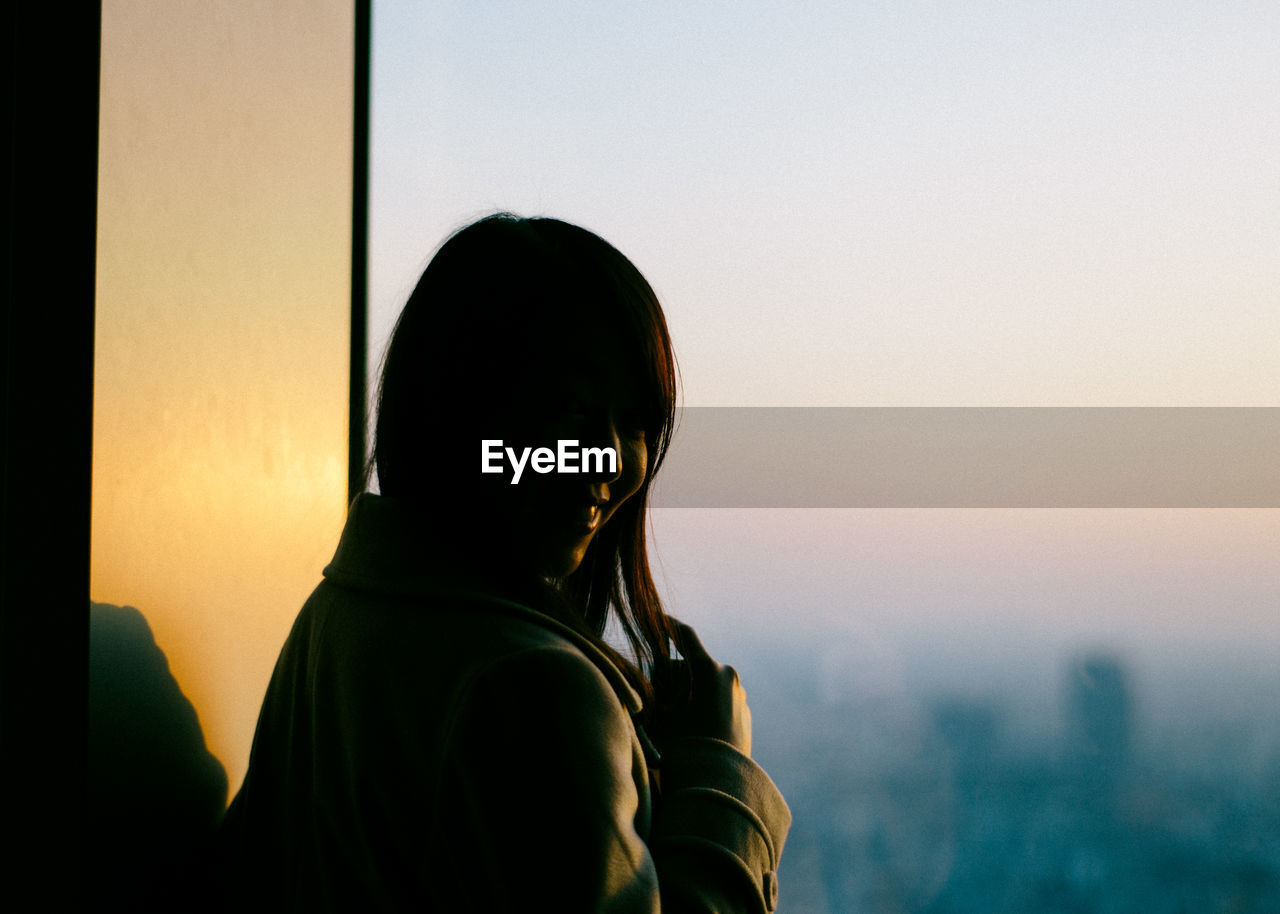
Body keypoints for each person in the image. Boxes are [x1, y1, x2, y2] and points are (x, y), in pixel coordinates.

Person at [219, 214, 790, 912]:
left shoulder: (338, 618)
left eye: (635, 419)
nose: (605, 457)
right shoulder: (535, 687)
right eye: (564, 408)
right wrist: (721, 782)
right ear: (457, 409)